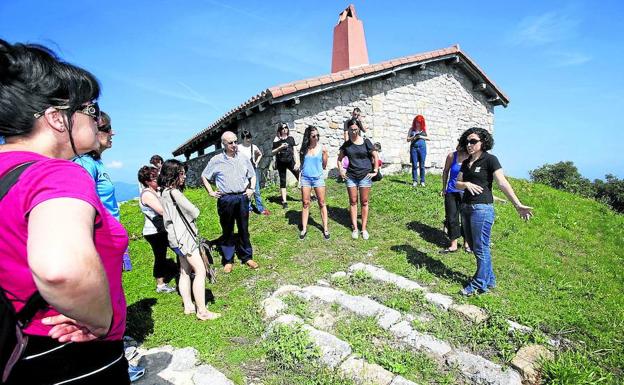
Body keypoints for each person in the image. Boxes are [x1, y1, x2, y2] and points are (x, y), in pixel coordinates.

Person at [0, 39, 129, 383]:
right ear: (58, 119)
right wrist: (101, 321)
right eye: (91, 109)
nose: (98, 119)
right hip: (72, 357)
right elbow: (61, 270)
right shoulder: (56, 173)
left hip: (14, 351)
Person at [455, 127, 533, 296]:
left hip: (481, 209)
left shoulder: (490, 160)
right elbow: (457, 183)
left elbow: (502, 183)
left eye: (473, 141)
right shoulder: (467, 162)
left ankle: (478, 282)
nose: (469, 144)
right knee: (476, 246)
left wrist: (518, 205)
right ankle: (489, 279)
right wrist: (466, 184)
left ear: (483, 142)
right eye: (467, 141)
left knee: (480, 247)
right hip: (466, 207)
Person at [159, 160, 221, 320]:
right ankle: (202, 311)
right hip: (185, 238)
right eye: (181, 173)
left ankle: (188, 306)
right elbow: (194, 211)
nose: (184, 176)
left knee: (184, 271)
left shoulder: (164, 192)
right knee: (200, 271)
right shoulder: (174, 193)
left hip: (174, 238)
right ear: (173, 175)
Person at [201, 131, 260, 273]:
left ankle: (247, 256)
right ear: (224, 144)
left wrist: (251, 189)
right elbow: (204, 176)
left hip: (242, 197)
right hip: (226, 199)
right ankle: (228, 260)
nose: (234, 145)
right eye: (230, 143)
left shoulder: (244, 158)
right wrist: (210, 191)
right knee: (227, 230)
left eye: (235, 141)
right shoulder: (216, 160)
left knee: (243, 228)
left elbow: (252, 175)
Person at [337, 118, 379, 240]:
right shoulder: (346, 145)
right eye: (351, 130)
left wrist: (375, 170)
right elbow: (339, 159)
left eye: (356, 129)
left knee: (364, 202)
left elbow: (375, 156)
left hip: (365, 176)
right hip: (351, 176)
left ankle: (364, 229)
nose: (354, 132)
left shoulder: (366, 142)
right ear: (348, 130)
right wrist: (341, 171)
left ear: (359, 129)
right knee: (353, 202)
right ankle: (355, 228)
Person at [137, 166, 177, 293]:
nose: (157, 180)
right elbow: (161, 211)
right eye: (154, 178)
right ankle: (160, 285)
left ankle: (185, 271)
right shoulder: (147, 194)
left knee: (176, 249)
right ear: (147, 181)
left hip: (160, 229)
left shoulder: (156, 191)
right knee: (160, 256)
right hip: (154, 232)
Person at [298, 125, 330, 240]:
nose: (316, 138)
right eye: (313, 136)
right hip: (306, 179)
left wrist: (325, 155)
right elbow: (302, 165)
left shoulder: (322, 148)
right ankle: (304, 228)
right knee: (305, 203)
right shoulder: (303, 149)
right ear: (309, 137)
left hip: (318, 178)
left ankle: (325, 228)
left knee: (322, 203)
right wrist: (299, 180)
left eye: (317, 135)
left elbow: (324, 165)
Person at [440, 144, 471, 253]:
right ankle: (453, 245)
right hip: (451, 191)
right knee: (451, 217)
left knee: (466, 219)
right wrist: (444, 188)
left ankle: (467, 244)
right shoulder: (451, 156)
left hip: (466, 192)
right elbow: (445, 171)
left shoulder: (472, 157)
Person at [239, 130, 270, 215]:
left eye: (249, 137)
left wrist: (256, 162)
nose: (249, 139)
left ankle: (260, 209)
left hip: (252, 170)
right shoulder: (238, 148)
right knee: (245, 190)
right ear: (243, 138)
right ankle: (248, 208)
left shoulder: (254, 146)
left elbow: (260, 154)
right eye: (247, 138)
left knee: (256, 190)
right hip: (242, 171)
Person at [271, 122, 300, 209]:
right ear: (280, 130)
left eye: (286, 128)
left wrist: (298, 162)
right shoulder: (276, 140)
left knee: (300, 177)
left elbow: (295, 151)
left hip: (291, 161)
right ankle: (284, 201)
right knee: (283, 181)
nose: (285, 129)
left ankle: (309, 194)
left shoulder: (291, 139)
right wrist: (280, 147)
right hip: (281, 163)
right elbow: (272, 152)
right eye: (283, 128)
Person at [407, 114, 429, 187]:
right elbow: (407, 139)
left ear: (422, 123)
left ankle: (422, 181)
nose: (417, 124)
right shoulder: (411, 129)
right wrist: (413, 137)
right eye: (416, 122)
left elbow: (428, 138)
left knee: (422, 165)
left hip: (422, 148)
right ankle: (415, 181)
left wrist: (420, 136)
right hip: (414, 148)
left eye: (419, 122)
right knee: (414, 165)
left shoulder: (424, 130)